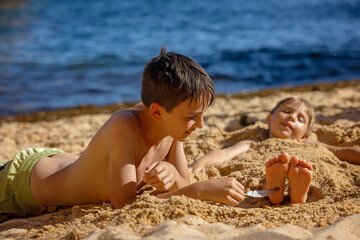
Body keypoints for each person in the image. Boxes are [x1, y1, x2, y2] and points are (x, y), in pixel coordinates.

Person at [0, 48, 245, 218]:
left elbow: (183, 183)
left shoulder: (172, 130)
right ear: (158, 112)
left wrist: (173, 175)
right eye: (192, 117)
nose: (201, 125)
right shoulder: (124, 126)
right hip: (20, 183)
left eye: (202, 115)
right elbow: (124, 204)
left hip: (59, 161)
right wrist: (200, 191)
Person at [190, 97, 360, 204]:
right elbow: (225, 153)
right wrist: (202, 162)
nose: (292, 117)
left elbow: (341, 151)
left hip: (299, 170)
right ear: (269, 119)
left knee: (310, 171)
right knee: (261, 175)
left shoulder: (311, 144)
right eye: (287, 111)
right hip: (268, 173)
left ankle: (296, 193)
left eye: (300, 119)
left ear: (303, 136)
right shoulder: (253, 143)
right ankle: (276, 190)